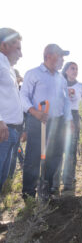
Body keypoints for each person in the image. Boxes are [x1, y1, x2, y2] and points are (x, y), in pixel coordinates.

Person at [20, 44, 72, 199]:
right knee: (34, 157)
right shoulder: (33, 74)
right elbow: (22, 96)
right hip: (38, 122)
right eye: (60, 56)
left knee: (55, 155)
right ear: (49, 56)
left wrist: (68, 119)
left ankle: (46, 188)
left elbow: (66, 101)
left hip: (57, 123)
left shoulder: (61, 78)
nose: (63, 60)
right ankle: (29, 194)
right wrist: (34, 111)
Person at [53, 62, 82, 192]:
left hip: (74, 116)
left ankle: (68, 180)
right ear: (66, 70)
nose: (75, 71)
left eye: (77, 69)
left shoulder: (80, 86)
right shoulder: (59, 83)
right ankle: (54, 182)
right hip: (60, 116)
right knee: (57, 149)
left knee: (71, 149)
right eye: (72, 68)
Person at [0, 28, 23, 192]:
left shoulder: (8, 67)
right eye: (18, 48)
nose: (21, 54)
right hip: (3, 130)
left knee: (3, 177)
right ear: (4, 45)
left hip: (11, 132)